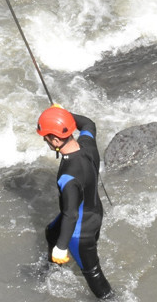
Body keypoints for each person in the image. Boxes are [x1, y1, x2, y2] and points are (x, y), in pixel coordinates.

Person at [37, 105, 114, 299]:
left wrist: (62, 247)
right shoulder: (88, 145)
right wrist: (64, 115)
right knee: (51, 232)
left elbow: (70, 214)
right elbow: (88, 123)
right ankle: (50, 272)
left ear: (55, 140)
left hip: (80, 232)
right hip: (95, 211)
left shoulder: (68, 177)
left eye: (45, 137)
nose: (45, 141)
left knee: (95, 277)